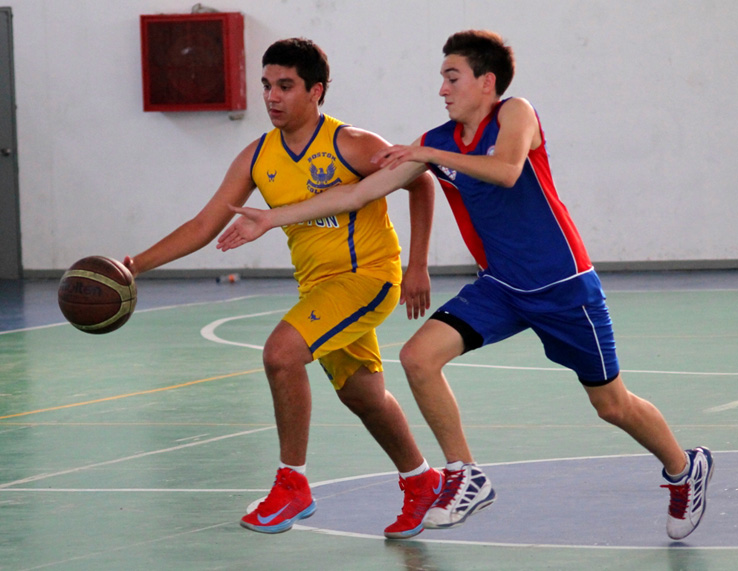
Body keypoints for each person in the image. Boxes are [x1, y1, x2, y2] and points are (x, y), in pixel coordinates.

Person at [217, 30, 714, 541]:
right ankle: (465, 474)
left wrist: (434, 155)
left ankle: (682, 468)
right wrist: (273, 219)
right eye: (442, 78)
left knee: (612, 404)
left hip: (563, 287)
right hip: (499, 287)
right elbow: (358, 193)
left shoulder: (514, 113)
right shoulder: (434, 141)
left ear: (486, 81)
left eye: (451, 77)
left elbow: (506, 170)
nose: (442, 89)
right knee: (417, 358)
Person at [124, 37, 443, 539]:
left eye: (286, 86)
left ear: (316, 91)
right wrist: (133, 265)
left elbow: (419, 180)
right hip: (318, 288)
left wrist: (419, 264)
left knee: (281, 353)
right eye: (267, 85)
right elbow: (205, 222)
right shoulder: (258, 156)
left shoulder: (350, 143)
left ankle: (293, 483)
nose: (272, 96)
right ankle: (421, 481)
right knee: (364, 396)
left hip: (367, 277)